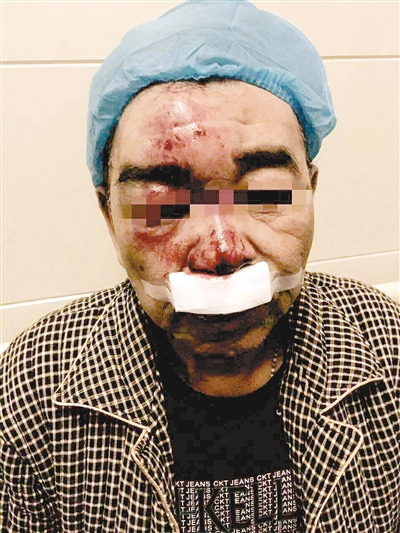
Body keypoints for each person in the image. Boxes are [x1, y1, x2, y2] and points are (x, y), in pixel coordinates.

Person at [0, 1, 399, 532]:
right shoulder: (29, 391)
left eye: (266, 194)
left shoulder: (388, 345)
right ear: (109, 214)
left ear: (310, 189)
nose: (221, 250)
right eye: (165, 204)